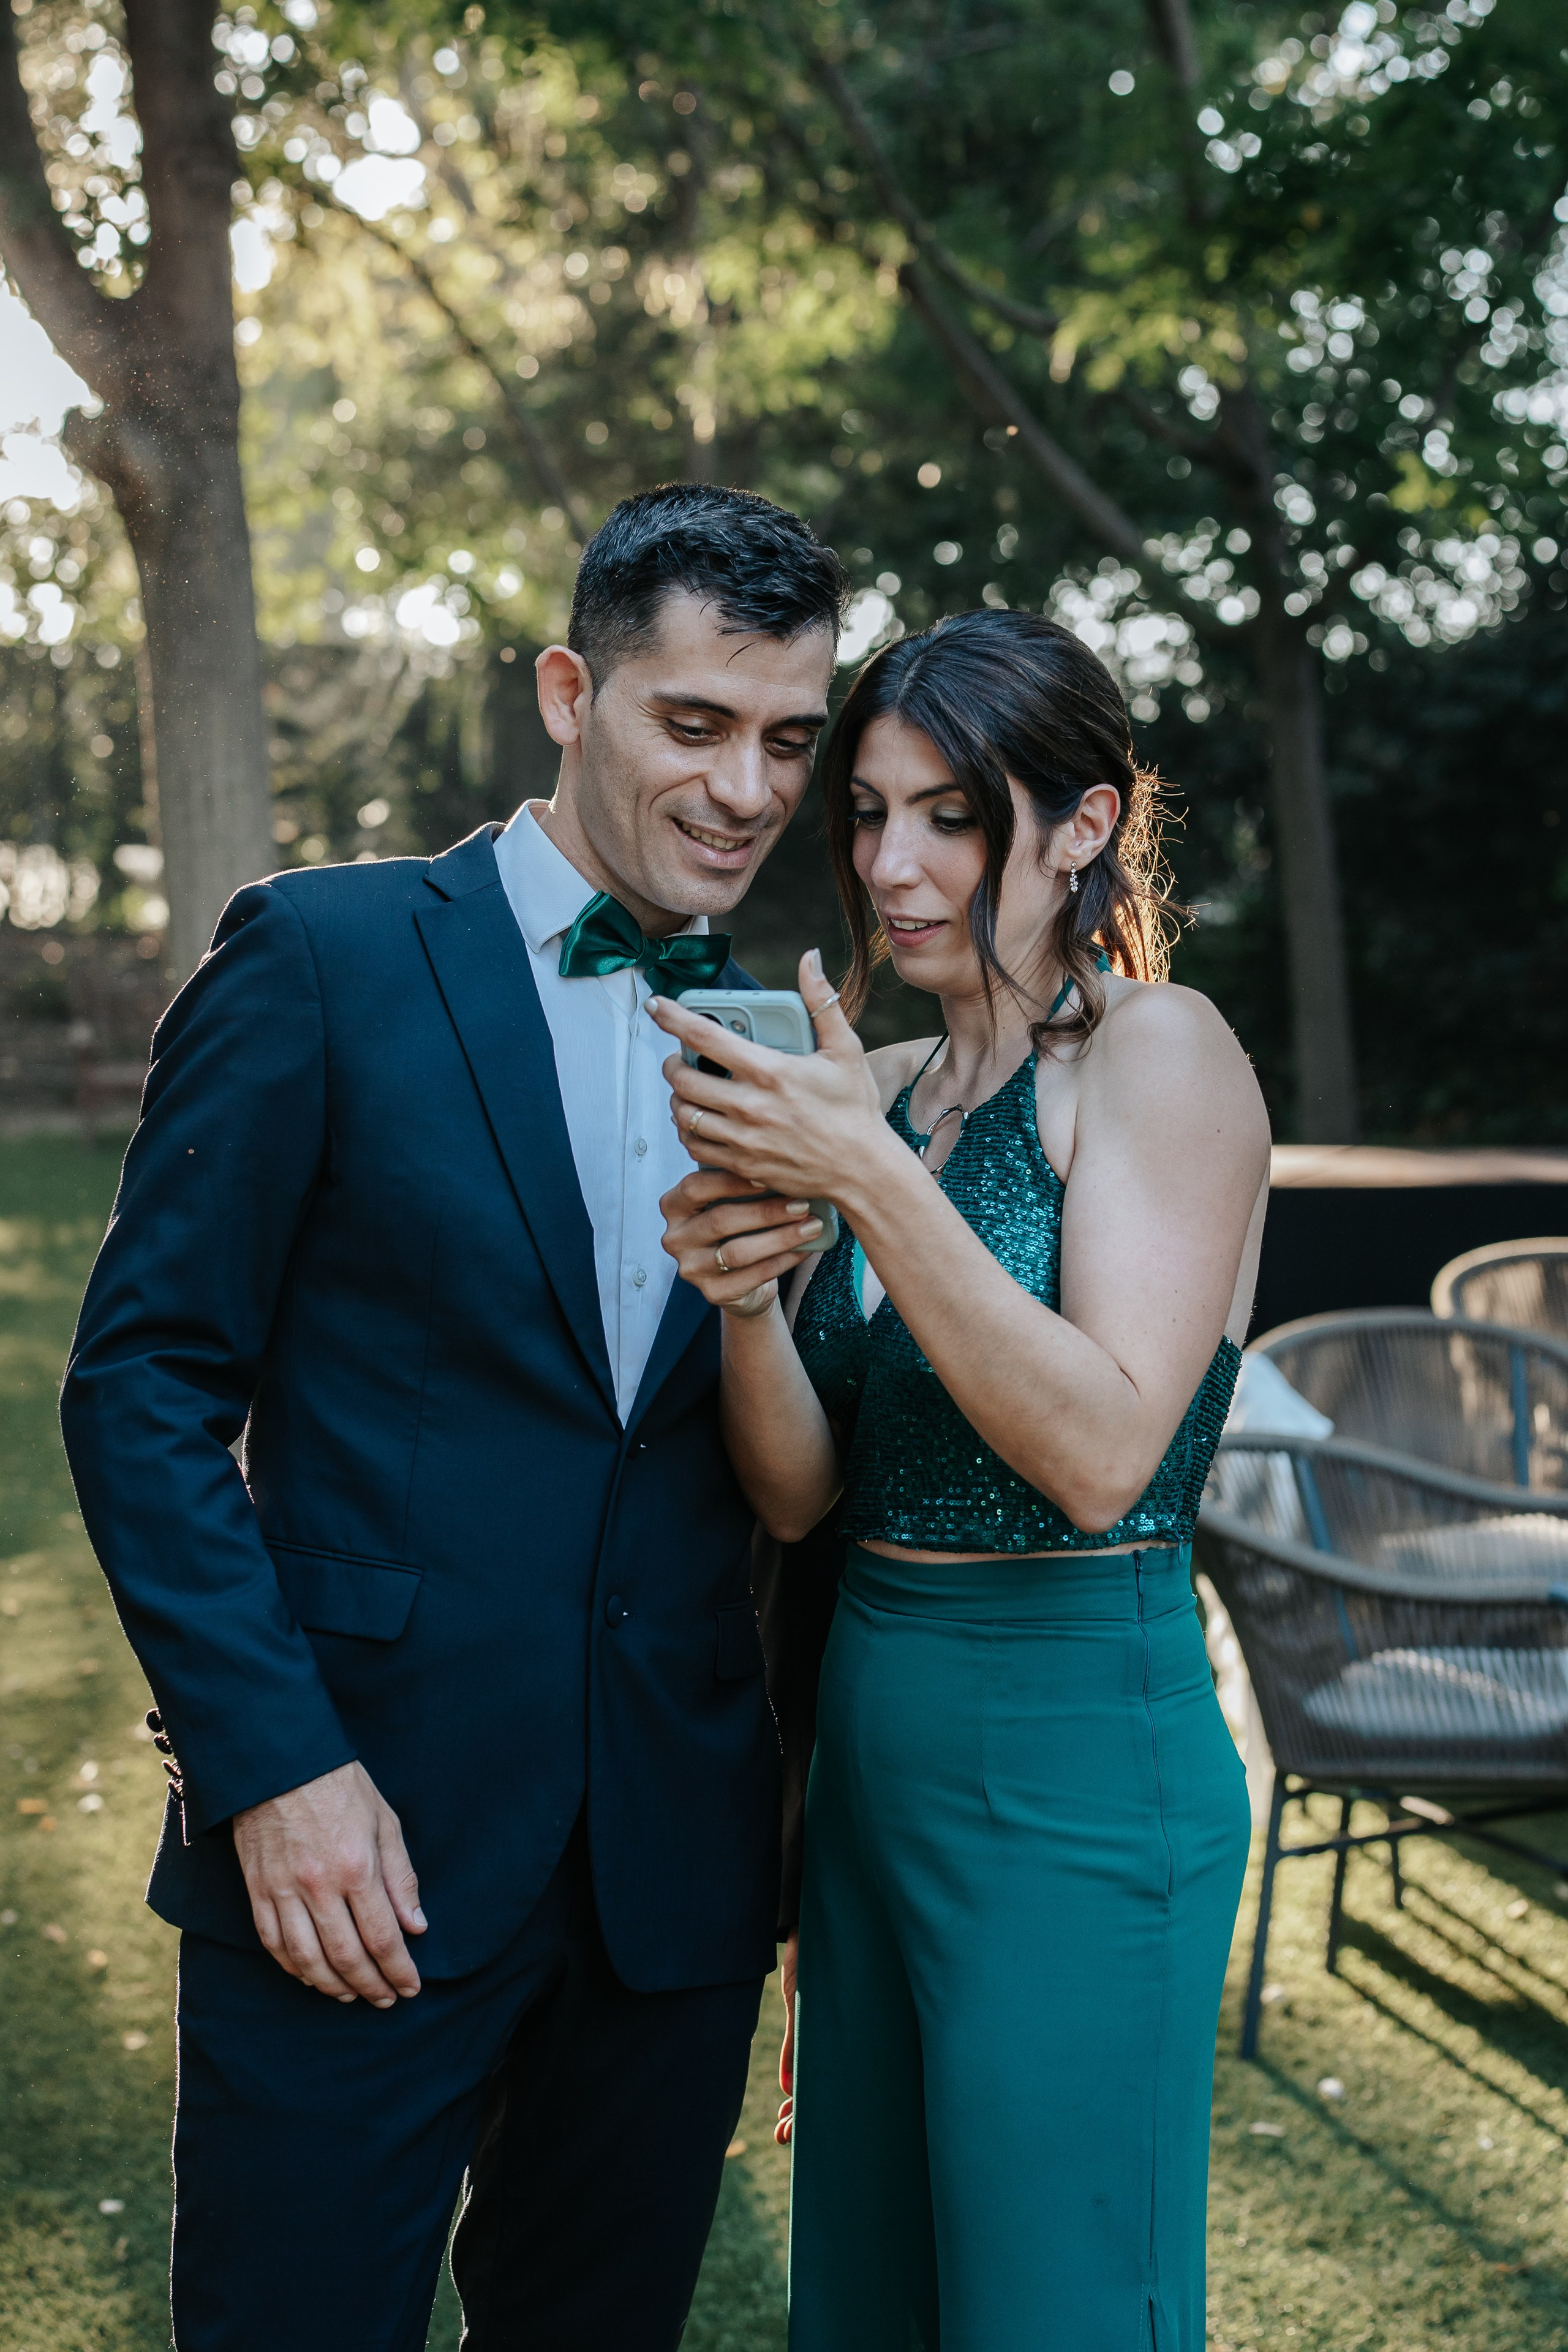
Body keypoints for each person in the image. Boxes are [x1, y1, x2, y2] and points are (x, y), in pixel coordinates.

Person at [59, 482, 847, 2352]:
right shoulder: (322, 956)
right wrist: (271, 1768)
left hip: (669, 1885)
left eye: (791, 742)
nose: (749, 790)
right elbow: (146, 1383)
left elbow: (787, 1479)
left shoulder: (790, 1047)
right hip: (355, 1853)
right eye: (697, 723)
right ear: (573, 694)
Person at [654, 607, 1271, 2350]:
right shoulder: (902, 1087)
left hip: (1081, 1756)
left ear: (1079, 828)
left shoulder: (1160, 1057)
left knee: (1056, 2302)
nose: (892, 865)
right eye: (866, 813)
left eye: (949, 815)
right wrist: (743, 1292)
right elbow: (797, 1499)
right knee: (876, 2299)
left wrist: (865, 1179)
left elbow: (1096, 1453)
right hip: (875, 1746)